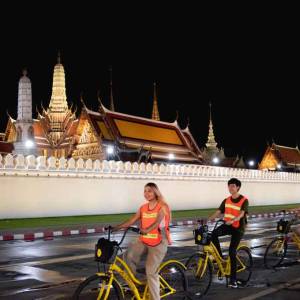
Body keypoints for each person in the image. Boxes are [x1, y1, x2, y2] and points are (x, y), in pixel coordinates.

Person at [113, 182, 171, 300]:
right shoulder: (143, 208)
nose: (146, 193)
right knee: (128, 255)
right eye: (145, 191)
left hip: (159, 242)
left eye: (149, 190)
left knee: (150, 271)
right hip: (144, 239)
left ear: (156, 192)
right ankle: (132, 284)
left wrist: (147, 229)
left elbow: (157, 222)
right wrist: (116, 227)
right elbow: (132, 220)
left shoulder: (163, 206)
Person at [208, 178, 249, 288]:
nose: (230, 188)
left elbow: (241, 214)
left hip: (238, 228)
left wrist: (233, 220)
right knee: (213, 234)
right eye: (229, 186)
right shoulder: (226, 200)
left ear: (238, 187)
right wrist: (209, 219)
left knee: (232, 251)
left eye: (233, 186)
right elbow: (218, 211)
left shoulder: (244, 200)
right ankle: (220, 258)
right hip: (227, 225)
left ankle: (233, 280)